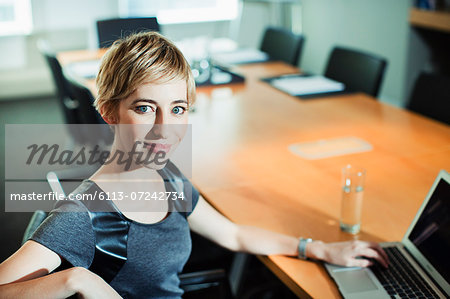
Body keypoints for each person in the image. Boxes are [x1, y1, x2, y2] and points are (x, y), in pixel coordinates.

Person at [0, 32, 388, 298]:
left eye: (178, 109)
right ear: (108, 111)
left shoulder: (166, 178)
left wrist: (320, 249)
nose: (165, 129)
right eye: (145, 108)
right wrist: (75, 279)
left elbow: (234, 236)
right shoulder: (84, 216)